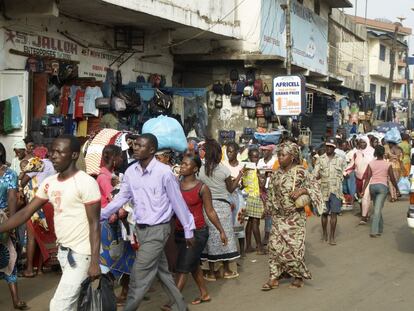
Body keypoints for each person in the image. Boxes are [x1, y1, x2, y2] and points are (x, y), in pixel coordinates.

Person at [0, 135, 102, 310]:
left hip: (81, 254)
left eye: (59, 152)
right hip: (64, 252)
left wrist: (94, 261)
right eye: (52, 151)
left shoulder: (86, 183)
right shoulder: (49, 183)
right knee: (74, 303)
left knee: (59, 305)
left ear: (74, 155)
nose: (53, 156)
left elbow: (94, 224)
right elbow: (25, 212)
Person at [100, 133, 195, 311]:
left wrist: (189, 229)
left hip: (159, 230)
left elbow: (178, 203)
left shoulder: (164, 173)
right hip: (141, 230)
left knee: (138, 276)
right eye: (134, 145)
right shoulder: (130, 172)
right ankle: (182, 307)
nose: (135, 148)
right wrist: (102, 213)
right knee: (163, 273)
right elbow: (121, 198)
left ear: (152, 150)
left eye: (140, 145)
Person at [162, 155, 228, 310]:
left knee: (182, 267)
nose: (182, 166)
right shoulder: (175, 185)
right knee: (191, 264)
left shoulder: (202, 188)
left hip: (197, 233)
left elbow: (210, 211)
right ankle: (204, 293)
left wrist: (221, 231)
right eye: (182, 164)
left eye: (186, 164)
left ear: (195, 169)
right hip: (179, 232)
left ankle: (173, 301)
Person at [262, 141, 323, 290]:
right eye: (279, 155)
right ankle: (273, 277)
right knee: (274, 247)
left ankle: (297, 276)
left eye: (283, 155)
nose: (280, 158)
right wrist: (267, 208)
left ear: (293, 156)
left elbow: (315, 187)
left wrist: (303, 191)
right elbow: (271, 192)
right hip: (278, 217)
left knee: (294, 250)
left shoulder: (301, 172)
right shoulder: (276, 174)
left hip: (294, 218)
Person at [97, 145, 135, 306]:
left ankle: (125, 291)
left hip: (116, 222)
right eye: (120, 157)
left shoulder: (110, 176)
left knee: (125, 256)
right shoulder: (104, 177)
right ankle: (111, 294)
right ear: (114, 159)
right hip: (109, 223)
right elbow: (114, 200)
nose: (122, 160)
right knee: (111, 259)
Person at [198, 138, 240, 281]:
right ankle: (227, 270)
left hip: (207, 207)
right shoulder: (224, 170)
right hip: (223, 207)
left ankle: (211, 272)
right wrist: (240, 176)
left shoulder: (201, 171)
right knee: (224, 237)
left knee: (211, 238)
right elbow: (231, 188)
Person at [0, 143, 28, 310]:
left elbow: (12, 199)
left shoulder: (10, 174)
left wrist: (11, 225)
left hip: (3, 220)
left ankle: (16, 300)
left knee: (9, 259)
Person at [19, 155, 57, 278]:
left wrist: (22, 176)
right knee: (40, 235)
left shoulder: (38, 163)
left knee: (31, 237)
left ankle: (29, 268)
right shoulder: (53, 165)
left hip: (36, 205)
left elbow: (22, 181)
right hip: (48, 203)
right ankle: (39, 268)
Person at [313, 138, 346, 245]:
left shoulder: (340, 160)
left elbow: (345, 173)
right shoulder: (320, 159)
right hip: (324, 191)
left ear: (334, 148)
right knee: (324, 214)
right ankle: (324, 234)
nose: (328, 148)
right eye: (327, 146)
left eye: (331, 146)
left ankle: (332, 236)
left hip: (336, 191)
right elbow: (315, 175)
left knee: (334, 214)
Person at [361, 145, 400, 237]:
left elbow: (367, 178)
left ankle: (380, 228)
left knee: (377, 208)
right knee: (377, 209)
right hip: (382, 188)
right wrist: (397, 189)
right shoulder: (387, 164)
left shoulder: (371, 163)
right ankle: (374, 231)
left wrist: (363, 190)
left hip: (373, 187)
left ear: (375, 153)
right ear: (383, 153)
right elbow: (392, 178)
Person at [223, 142, 246, 257]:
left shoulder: (242, 166)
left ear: (237, 152)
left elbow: (244, 184)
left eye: (231, 151)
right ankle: (230, 250)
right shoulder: (223, 165)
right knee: (228, 224)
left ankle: (242, 250)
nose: (229, 153)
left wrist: (240, 184)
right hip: (227, 196)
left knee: (239, 222)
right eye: (227, 151)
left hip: (239, 196)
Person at [345, 136, 374, 224]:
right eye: (360, 142)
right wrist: (345, 173)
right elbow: (352, 165)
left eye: (364, 142)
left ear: (367, 142)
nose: (362, 144)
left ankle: (364, 217)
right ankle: (365, 213)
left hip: (369, 178)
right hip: (358, 178)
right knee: (360, 196)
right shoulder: (356, 154)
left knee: (365, 196)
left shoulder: (372, 152)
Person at [243, 148, 265, 254]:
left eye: (257, 157)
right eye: (253, 157)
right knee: (255, 222)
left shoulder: (246, 168)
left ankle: (248, 246)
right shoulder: (251, 169)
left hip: (249, 196)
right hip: (254, 197)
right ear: (249, 157)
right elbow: (261, 185)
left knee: (251, 222)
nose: (255, 159)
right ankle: (259, 246)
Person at [257, 145, 276, 245]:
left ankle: (267, 235)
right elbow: (257, 173)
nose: (264, 152)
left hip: (271, 189)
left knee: (269, 213)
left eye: (266, 150)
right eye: (263, 150)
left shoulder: (275, 160)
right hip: (261, 189)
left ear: (271, 151)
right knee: (260, 213)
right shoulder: (260, 161)